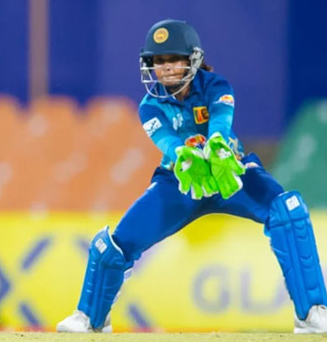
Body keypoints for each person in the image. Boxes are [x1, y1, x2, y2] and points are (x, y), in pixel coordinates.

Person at [57, 19, 327, 334]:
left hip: (229, 172)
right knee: (115, 244)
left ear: (192, 59)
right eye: (159, 61)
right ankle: (91, 318)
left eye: (174, 59)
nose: (167, 68)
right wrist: (182, 155)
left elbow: (221, 125)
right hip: (181, 181)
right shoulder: (150, 106)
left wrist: (216, 148)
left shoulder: (216, 86)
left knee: (288, 212)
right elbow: (167, 143)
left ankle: (311, 314)